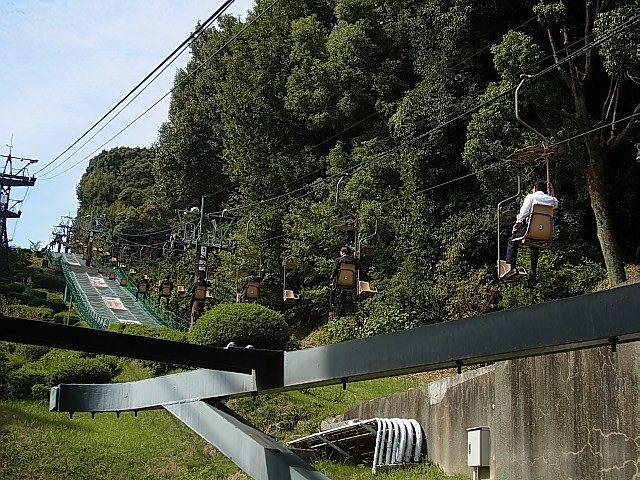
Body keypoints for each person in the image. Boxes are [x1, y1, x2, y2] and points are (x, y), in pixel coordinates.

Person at [504, 179, 558, 283]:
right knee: (534, 244)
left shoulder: (531, 197)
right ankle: (533, 270)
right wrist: (551, 191)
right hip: (545, 232)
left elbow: (524, 212)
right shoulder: (551, 200)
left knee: (511, 240)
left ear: (535, 188)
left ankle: (512, 268)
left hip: (530, 229)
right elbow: (555, 203)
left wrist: (517, 223)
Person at [329, 246, 360, 311]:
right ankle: (343, 304)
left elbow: (335, 270)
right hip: (350, 281)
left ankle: (332, 303)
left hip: (339, 280)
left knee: (333, 285)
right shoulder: (353, 261)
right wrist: (356, 259)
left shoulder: (338, 260)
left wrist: (331, 277)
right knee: (344, 289)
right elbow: (358, 267)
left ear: (343, 253)